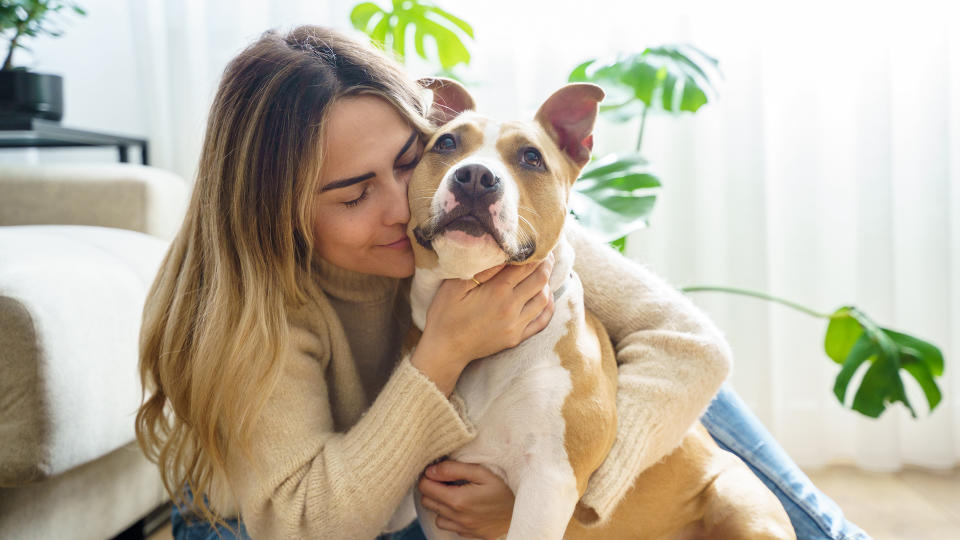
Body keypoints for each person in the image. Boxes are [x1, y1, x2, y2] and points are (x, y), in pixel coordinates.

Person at [135, 25, 868, 540]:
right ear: (281, 213)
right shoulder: (258, 308)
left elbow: (690, 345)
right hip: (280, 522)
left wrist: (566, 485)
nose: (402, 207)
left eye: (407, 161)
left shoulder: (470, 207)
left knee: (617, 350)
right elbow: (304, 524)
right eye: (354, 194)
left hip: (446, 491)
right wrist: (443, 352)